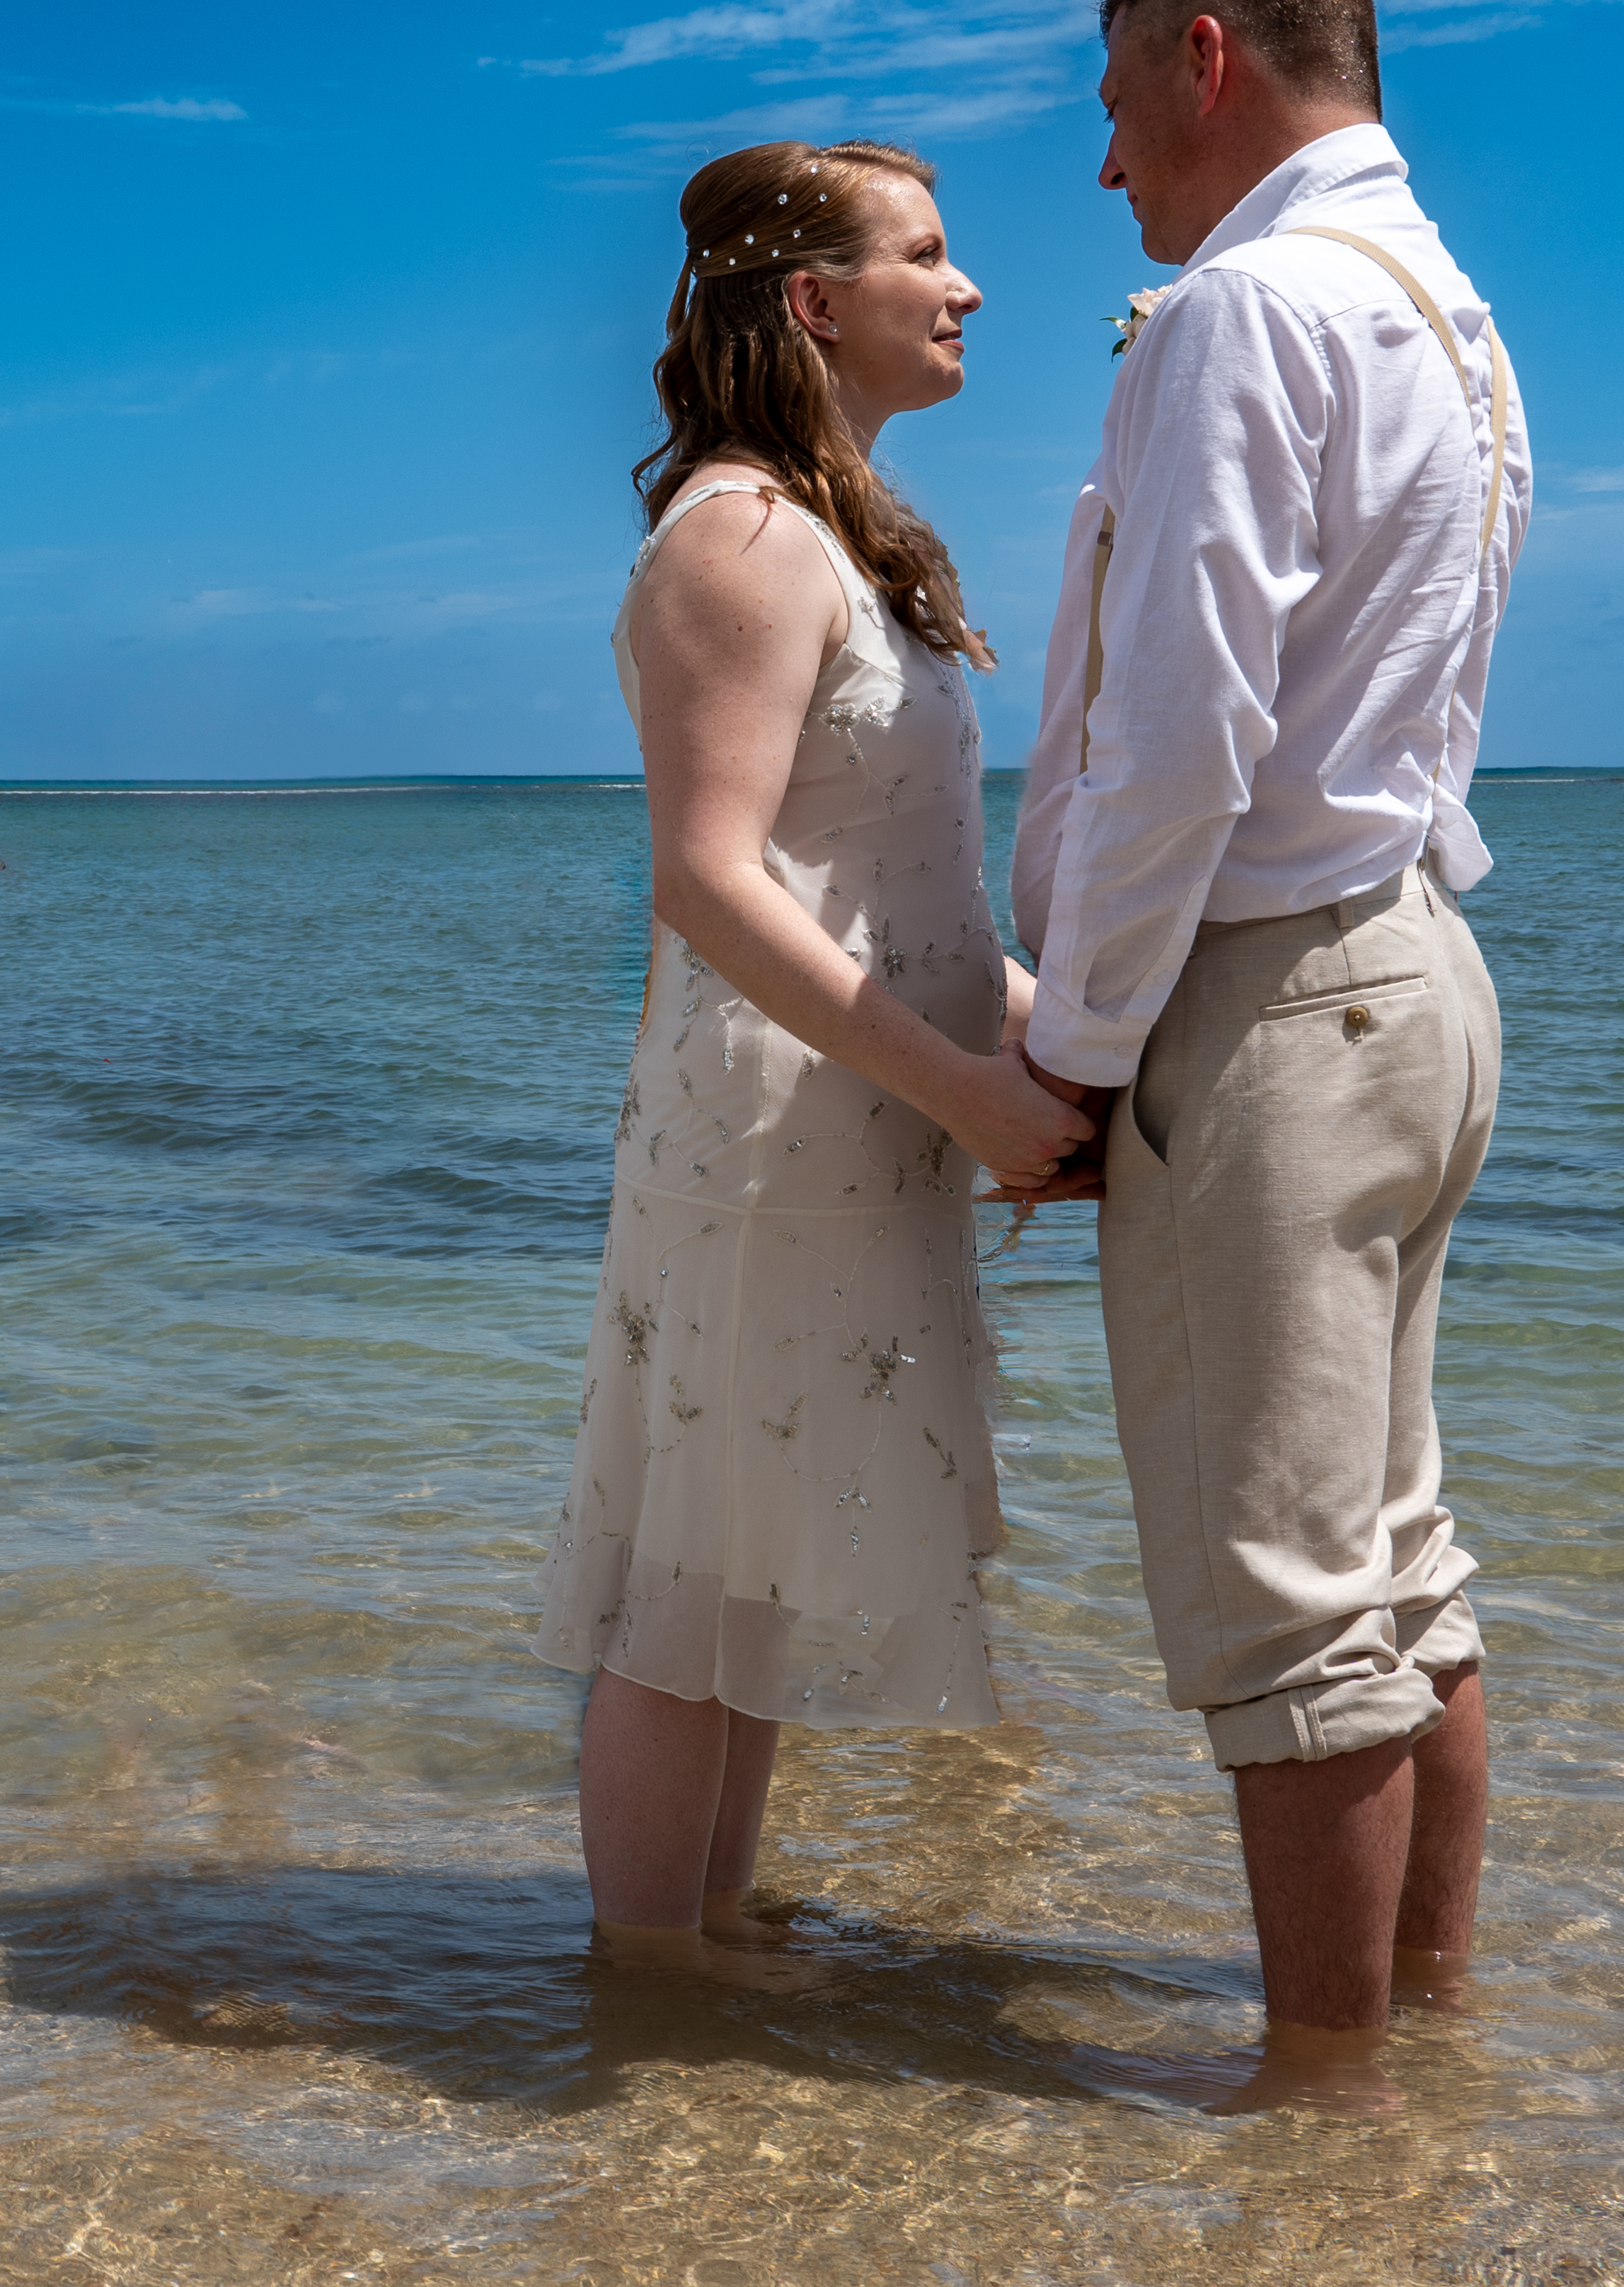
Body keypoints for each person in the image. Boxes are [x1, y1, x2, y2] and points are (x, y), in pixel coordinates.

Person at [1000, 0, 1530, 2110]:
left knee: (1294, 1605)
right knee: (1397, 1559)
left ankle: (1327, 2118)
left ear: (1208, 60)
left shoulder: (1253, 306)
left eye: (1118, 112)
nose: (1107, 170)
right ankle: (1418, 2031)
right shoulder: (1455, 312)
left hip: (1277, 994)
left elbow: (1185, 737)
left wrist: (1072, 1046)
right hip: (1417, 968)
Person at [534, 139, 1093, 1983]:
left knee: (752, 1538)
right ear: (810, 301)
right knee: (697, 1554)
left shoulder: (827, 527)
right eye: (926, 255)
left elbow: (893, 889)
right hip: (773, 1125)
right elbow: (710, 881)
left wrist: (1050, 1048)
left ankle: (700, 1930)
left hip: (859, 1115)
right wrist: (980, 1101)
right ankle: (650, 1972)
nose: (970, 287)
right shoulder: (741, 539)